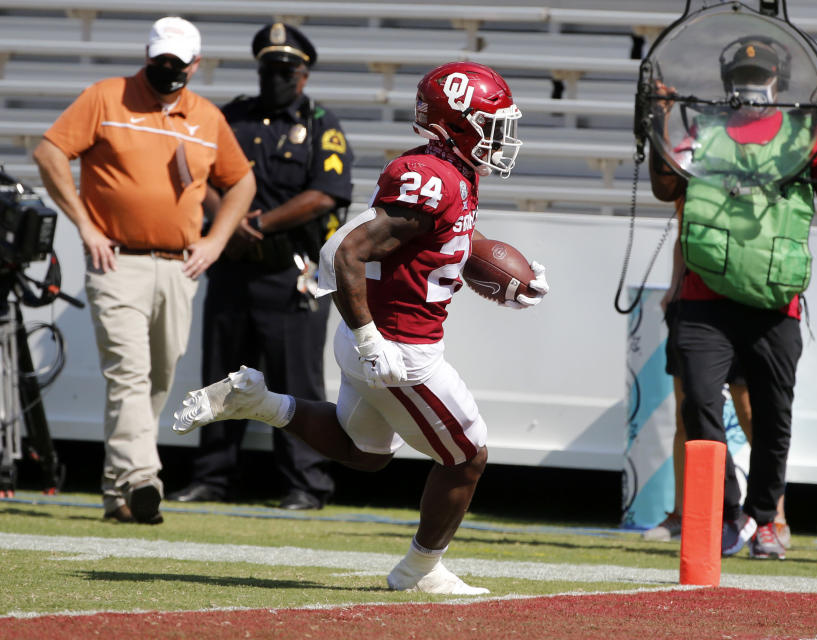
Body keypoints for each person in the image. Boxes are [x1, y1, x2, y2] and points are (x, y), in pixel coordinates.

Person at [173, 62, 547, 593]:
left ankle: (258, 402)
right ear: (455, 122)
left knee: (365, 453)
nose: (502, 135)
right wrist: (374, 340)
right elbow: (347, 253)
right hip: (399, 346)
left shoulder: (441, 169)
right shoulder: (436, 177)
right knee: (468, 457)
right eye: (491, 122)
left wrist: (504, 272)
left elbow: (443, 230)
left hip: (373, 336)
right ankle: (419, 571)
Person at [32, 17, 255, 524]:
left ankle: (118, 493)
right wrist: (87, 227)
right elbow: (48, 153)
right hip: (117, 263)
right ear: (148, 55)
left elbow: (241, 182)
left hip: (179, 268)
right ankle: (144, 479)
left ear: (196, 64)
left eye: (178, 62)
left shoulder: (206, 117)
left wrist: (216, 241)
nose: (168, 69)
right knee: (129, 372)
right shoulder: (106, 97)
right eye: (160, 60)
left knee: (157, 377)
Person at [648, 38, 817, 559]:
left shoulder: (803, 135)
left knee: (773, 418)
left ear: (779, 81)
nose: (750, 83)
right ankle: (725, 515)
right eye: (741, 73)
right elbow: (666, 189)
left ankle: (765, 519)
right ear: (727, 79)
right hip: (703, 298)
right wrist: (658, 122)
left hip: (774, 306)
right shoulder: (702, 129)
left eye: (759, 74)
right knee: (700, 408)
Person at [169, 23, 353, 510]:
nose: (275, 78)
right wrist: (225, 219)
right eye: (268, 69)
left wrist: (260, 222)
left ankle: (306, 484)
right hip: (232, 267)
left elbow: (325, 194)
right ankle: (212, 477)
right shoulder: (230, 117)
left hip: (290, 273)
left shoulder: (320, 124)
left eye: (285, 70)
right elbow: (194, 170)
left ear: (303, 76)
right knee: (221, 376)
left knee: (297, 383)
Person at [645, 199, 790, 547]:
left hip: (746, 301)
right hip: (694, 304)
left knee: (753, 413)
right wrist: (674, 285)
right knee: (689, 413)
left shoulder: (759, 168)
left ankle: (773, 517)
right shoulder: (698, 169)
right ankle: (685, 512)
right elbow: (686, 230)